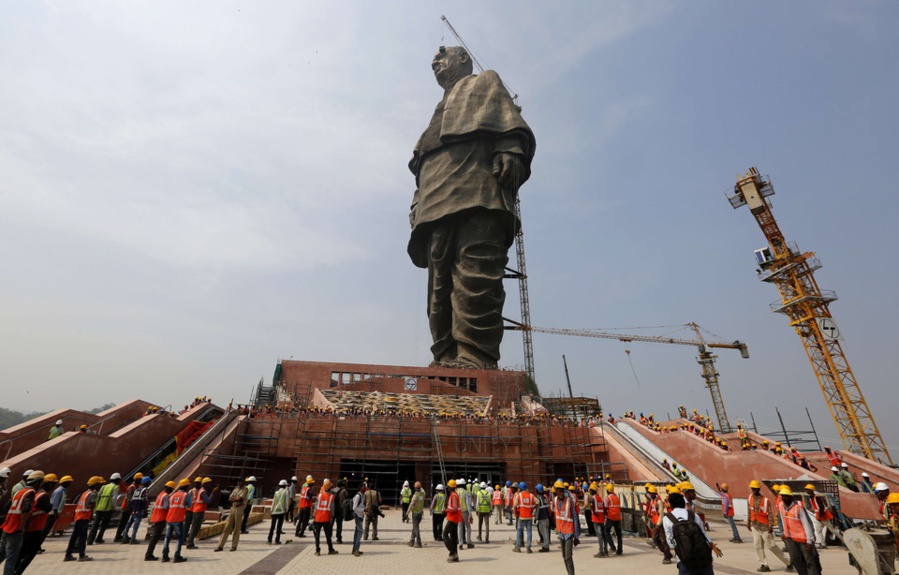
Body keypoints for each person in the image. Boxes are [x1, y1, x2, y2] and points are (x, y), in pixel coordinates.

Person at [407, 45, 536, 370]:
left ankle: (474, 358)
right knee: (439, 287)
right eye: (432, 60)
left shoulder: (485, 83)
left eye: (442, 55)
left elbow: (510, 127)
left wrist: (509, 147)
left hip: (477, 188)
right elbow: (421, 163)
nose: (436, 61)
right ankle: (446, 355)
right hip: (436, 197)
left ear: (463, 59)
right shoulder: (436, 111)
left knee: (476, 274)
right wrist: (417, 201)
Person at [663, 492, 723, 575]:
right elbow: (704, 534)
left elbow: (670, 542)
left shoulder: (667, 518)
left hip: (684, 560)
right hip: (703, 558)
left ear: (671, 504)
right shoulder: (693, 515)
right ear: (683, 503)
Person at [1, 470, 45, 573]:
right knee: (11, 559)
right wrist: (22, 526)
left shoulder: (19, 492)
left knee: (2, 553)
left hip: (7, 527)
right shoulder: (30, 493)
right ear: (37, 482)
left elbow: (7, 507)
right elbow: (26, 509)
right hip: (15, 529)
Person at [746, 480, 791, 573]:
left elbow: (770, 514)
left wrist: (771, 526)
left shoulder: (765, 500)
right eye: (752, 488)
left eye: (755, 488)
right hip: (755, 525)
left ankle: (789, 563)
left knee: (771, 546)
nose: (754, 490)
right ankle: (763, 564)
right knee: (757, 545)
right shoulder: (750, 497)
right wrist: (748, 522)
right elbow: (749, 510)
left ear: (759, 489)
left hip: (765, 527)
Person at [777, 486, 819, 575]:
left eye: (786, 496)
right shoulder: (781, 506)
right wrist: (783, 532)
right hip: (790, 537)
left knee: (809, 560)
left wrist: (809, 539)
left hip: (802, 538)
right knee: (795, 559)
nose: (784, 498)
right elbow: (781, 519)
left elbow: (806, 524)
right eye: (783, 496)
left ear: (791, 497)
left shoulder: (798, 508)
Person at [65, 476, 103, 562]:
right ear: (96, 485)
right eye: (99, 484)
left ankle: (68, 554)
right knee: (83, 536)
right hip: (84, 516)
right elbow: (92, 505)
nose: (100, 486)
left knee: (74, 536)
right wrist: (91, 516)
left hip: (78, 516)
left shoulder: (84, 493)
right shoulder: (92, 494)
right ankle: (82, 555)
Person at [214, 480, 248, 552]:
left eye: (240, 481)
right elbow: (229, 499)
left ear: (243, 482)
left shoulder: (245, 489)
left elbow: (240, 499)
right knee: (227, 527)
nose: (239, 483)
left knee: (236, 527)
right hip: (233, 508)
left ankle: (234, 546)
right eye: (238, 481)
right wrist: (235, 500)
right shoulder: (235, 489)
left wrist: (234, 499)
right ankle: (220, 546)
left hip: (239, 508)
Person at [553, 480, 579, 575]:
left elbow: (575, 518)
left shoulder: (569, 501)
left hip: (569, 531)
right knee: (564, 556)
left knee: (568, 556)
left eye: (562, 490)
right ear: (556, 491)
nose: (561, 492)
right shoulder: (555, 500)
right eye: (559, 490)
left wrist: (576, 536)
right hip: (561, 532)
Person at [161, 478, 189, 563]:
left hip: (169, 518)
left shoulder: (172, 495)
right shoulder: (185, 495)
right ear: (186, 486)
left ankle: (164, 556)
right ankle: (177, 556)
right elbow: (190, 504)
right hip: (178, 519)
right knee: (179, 538)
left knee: (167, 537)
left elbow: (167, 506)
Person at [145, 480, 174, 561]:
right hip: (161, 518)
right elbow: (165, 507)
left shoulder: (160, 494)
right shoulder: (166, 496)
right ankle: (148, 554)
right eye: (171, 489)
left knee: (155, 537)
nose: (171, 491)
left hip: (156, 517)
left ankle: (149, 554)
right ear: (169, 488)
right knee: (155, 537)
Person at [87, 473, 119, 544]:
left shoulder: (104, 486)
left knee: (95, 524)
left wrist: (97, 506)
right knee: (104, 524)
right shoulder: (115, 487)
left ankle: (90, 539)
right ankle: (99, 538)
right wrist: (114, 507)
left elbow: (98, 496)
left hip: (100, 507)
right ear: (117, 480)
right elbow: (114, 498)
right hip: (108, 508)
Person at [186, 477, 217, 548]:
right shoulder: (202, 491)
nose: (210, 485)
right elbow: (208, 500)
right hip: (198, 511)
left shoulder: (201, 490)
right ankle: (189, 543)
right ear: (205, 484)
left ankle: (190, 542)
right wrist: (213, 493)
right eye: (209, 483)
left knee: (196, 528)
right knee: (194, 528)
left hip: (199, 510)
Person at [121, 476, 151, 544]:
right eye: (149, 482)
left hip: (133, 509)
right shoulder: (145, 490)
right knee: (136, 525)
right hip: (139, 510)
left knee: (128, 524)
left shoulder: (137, 489)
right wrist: (146, 510)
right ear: (147, 482)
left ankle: (124, 538)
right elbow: (145, 500)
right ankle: (133, 539)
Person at [803, 484, 833, 549]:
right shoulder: (812, 497)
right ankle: (823, 544)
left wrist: (820, 516)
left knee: (833, 530)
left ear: (811, 490)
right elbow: (816, 507)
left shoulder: (817, 497)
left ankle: (844, 541)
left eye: (808, 490)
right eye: (806, 490)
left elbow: (821, 508)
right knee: (818, 530)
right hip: (819, 516)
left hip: (824, 516)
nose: (806, 491)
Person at [312, 478, 337, 556]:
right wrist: (331, 518)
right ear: (329, 487)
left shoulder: (319, 495)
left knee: (317, 535)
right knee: (328, 535)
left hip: (318, 518)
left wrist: (314, 516)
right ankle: (330, 549)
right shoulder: (331, 497)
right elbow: (332, 509)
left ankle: (317, 550)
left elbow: (315, 507)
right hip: (326, 518)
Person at [113, 474, 139, 543]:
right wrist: (129, 508)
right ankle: (118, 536)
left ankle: (124, 535)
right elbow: (129, 499)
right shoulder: (132, 487)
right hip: (126, 507)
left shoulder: (134, 486)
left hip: (127, 507)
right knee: (123, 522)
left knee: (125, 523)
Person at [46, 475, 72, 539]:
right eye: (69, 482)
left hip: (56, 512)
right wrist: (55, 513)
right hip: (52, 513)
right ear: (64, 482)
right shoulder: (59, 491)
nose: (70, 484)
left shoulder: (63, 491)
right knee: (46, 528)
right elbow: (55, 502)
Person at [513, 482, 535, 553]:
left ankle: (518, 547)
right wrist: (532, 509)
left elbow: (515, 505)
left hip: (521, 517)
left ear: (521, 488)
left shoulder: (519, 495)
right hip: (529, 517)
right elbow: (537, 502)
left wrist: (516, 513)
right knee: (529, 532)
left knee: (519, 531)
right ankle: (528, 547)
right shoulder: (531, 495)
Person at [443, 479, 461, 562]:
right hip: (454, 518)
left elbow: (454, 508)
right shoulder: (453, 495)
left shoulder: (453, 496)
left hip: (453, 518)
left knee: (445, 534)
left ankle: (452, 552)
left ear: (450, 487)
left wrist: (446, 510)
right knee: (453, 537)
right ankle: (455, 557)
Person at [268, 479, 289, 545]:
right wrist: (286, 510)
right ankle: (277, 540)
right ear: (285, 485)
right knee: (279, 526)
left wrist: (271, 510)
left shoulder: (276, 492)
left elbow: (273, 502)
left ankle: (269, 539)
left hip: (274, 511)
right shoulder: (286, 492)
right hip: (281, 511)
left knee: (272, 526)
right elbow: (286, 502)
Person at [603, 483, 622, 555]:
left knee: (606, 531)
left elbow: (605, 507)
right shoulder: (616, 497)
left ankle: (612, 546)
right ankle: (620, 550)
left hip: (611, 517)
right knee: (619, 534)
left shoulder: (608, 498)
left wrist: (605, 515)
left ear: (607, 491)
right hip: (618, 517)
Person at [406, 481, 425, 548]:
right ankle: (411, 541)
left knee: (416, 528)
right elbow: (422, 490)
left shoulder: (415, 496)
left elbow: (411, 505)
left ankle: (419, 542)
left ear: (414, 487)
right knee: (415, 527)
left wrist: (407, 513)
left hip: (415, 514)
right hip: (420, 513)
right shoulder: (423, 494)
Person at [535, 483, 551, 553]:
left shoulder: (538, 499)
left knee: (543, 532)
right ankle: (546, 544)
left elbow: (538, 509)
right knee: (546, 532)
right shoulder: (545, 498)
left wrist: (536, 518)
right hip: (546, 517)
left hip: (542, 518)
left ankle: (546, 546)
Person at [351, 482, 366, 557]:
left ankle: (355, 549)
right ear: (360, 488)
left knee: (357, 531)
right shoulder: (358, 496)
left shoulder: (362, 495)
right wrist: (363, 510)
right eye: (363, 487)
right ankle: (356, 550)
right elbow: (354, 508)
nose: (365, 488)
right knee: (360, 531)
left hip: (360, 515)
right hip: (357, 515)